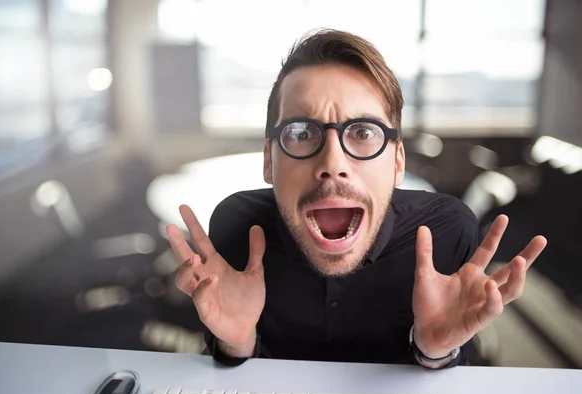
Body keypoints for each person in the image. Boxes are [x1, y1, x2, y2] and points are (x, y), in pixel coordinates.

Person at [166, 29, 547, 369]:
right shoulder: (238, 228)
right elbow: (235, 377)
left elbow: (449, 373)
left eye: (363, 132)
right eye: (301, 133)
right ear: (269, 161)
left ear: (397, 162)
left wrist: (435, 351)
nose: (332, 164)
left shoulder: (445, 232)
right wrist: (236, 343)